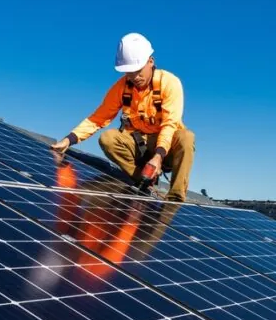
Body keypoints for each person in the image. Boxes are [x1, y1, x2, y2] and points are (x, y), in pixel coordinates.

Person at [51, 32, 195, 202]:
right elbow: (98, 118)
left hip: (167, 147)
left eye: (138, 71)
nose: (134, 77)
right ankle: (142, 180)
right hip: (138, 146)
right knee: (108, 138)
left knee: (186, 137)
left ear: (151, 61)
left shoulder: (169, 83)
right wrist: (69, 140)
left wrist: (158, 156)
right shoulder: (122, 88)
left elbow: (170, 124)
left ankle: (175, 200)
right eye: (129, 72)